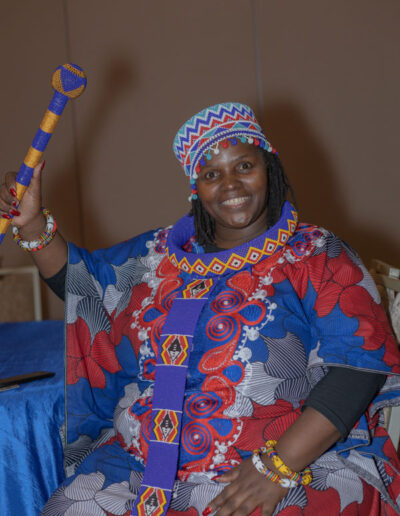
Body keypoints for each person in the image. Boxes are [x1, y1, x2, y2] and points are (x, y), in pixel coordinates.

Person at [1, 102, 400, 516]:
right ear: (196, 189)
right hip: (139, 465)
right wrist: (31, 225)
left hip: (284, 465)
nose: (230, 184)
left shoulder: (317, 253)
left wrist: (277, 467)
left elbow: (358, 367)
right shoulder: (155, 254)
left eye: (244, 166)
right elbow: (86, 287)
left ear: (269, 168)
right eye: (211, 175)